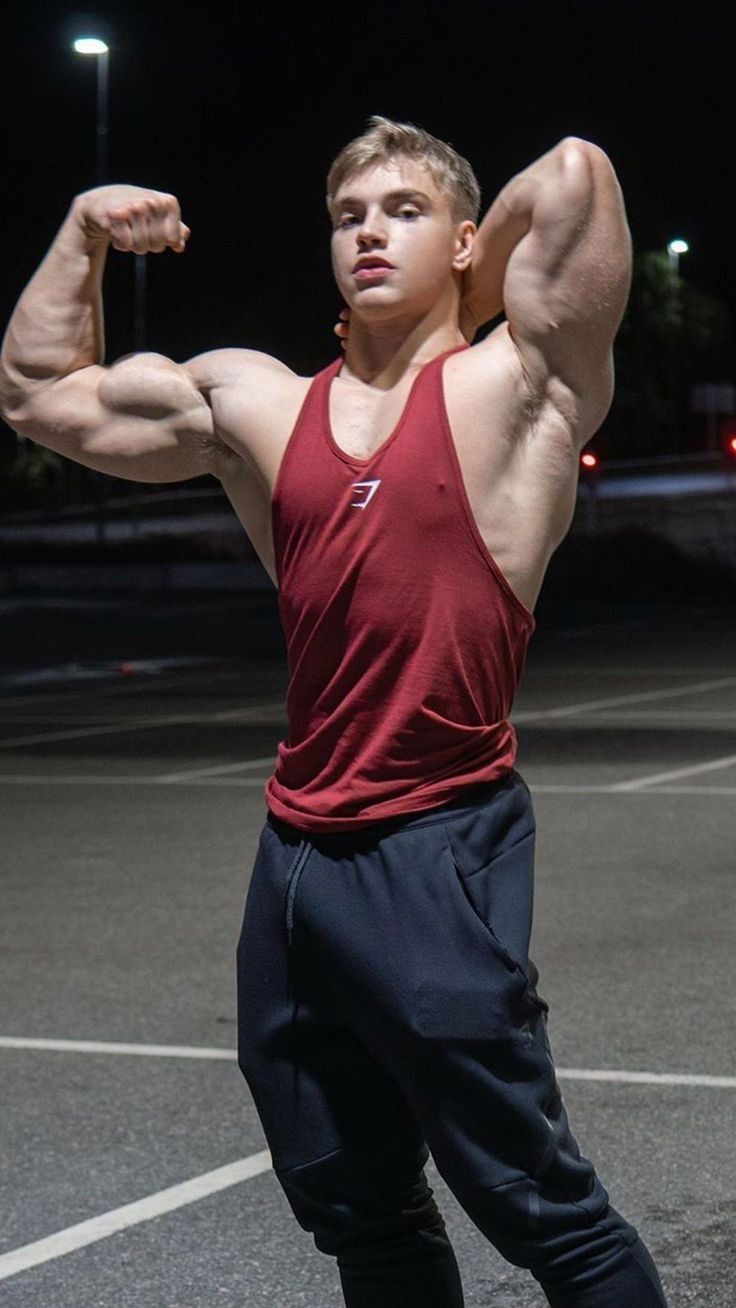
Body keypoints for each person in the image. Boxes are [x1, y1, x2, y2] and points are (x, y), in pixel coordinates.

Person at [0, 116, 668, 1307]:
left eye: (404, 212)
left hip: (437, 845)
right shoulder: (257, 404)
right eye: (349, 216)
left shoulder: (515, 389)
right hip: (295, 863)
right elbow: (42, 395)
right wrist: (83, 232)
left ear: (467, 242)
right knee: (358, 1210)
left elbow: (575, 174)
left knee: (542, 1214)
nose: (367, 232)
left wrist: (468, 264)